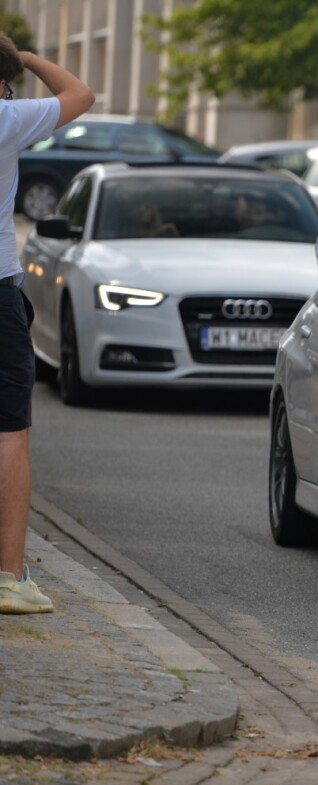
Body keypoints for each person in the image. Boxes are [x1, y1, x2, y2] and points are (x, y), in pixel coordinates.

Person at [0, 37, 95, 614]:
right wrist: (23, 58)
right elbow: (79, 94)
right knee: (9, 433)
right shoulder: (6, 118)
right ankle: (9, 578)